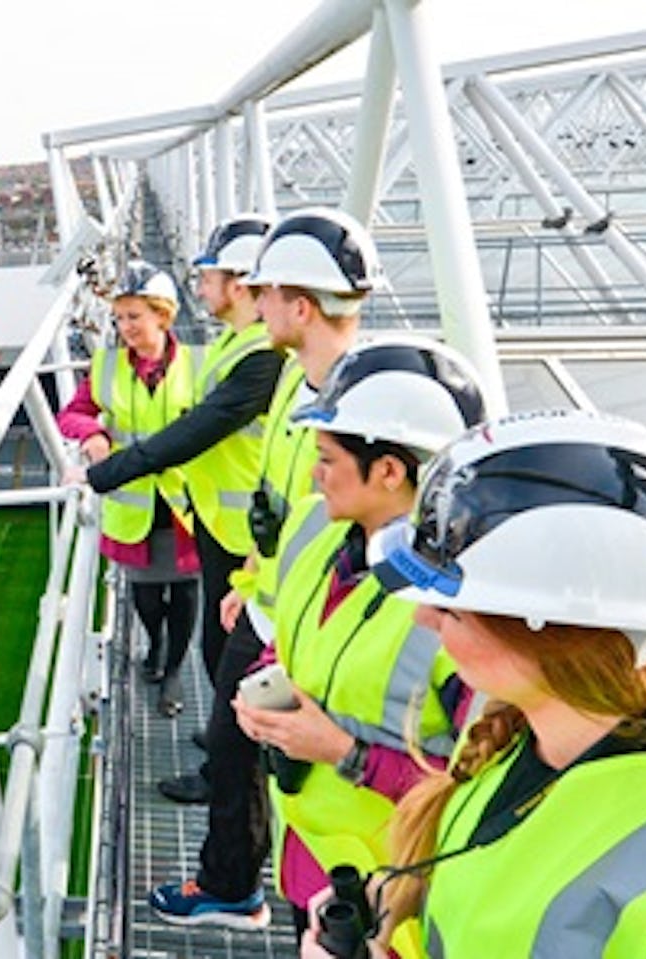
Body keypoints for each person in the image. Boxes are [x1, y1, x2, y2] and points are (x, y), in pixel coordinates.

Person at [302, 409, 646, 959]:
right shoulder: (521, 726)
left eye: (451, 608)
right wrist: (394, 893)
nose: (424, 619)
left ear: (547, 631)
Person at [149, 209, 384, 931]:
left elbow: (347, 533)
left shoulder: (362, 405)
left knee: (257, 753)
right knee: (247, 748)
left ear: (300, 304)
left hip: (310, 628)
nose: (257, 299)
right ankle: (251, 891)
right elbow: (282, 502)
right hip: (278, 609)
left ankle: (247, 893)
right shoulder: (295, 380)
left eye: (266, 289)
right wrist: (253, 578)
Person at [230, 339, 490, 954]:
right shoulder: (313, 527)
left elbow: (478, 796)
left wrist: (343, 752)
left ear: (390, 471)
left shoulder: (470, 613)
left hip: (394, 900)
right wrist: (266, 689)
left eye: (326, 457)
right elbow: (286, 636)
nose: (314, 473)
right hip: (307, 855)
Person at [57, 260, 198, 716]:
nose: (124, 327)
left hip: (186, 505)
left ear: (163, 314)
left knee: (186, 594)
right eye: (118, 318)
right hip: (132, 507)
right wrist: (92, 434)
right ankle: (154, 645)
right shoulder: (107, 366)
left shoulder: (199, 364)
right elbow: (71, 413)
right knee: (146, 596)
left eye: (134, 316)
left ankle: (172, 670)